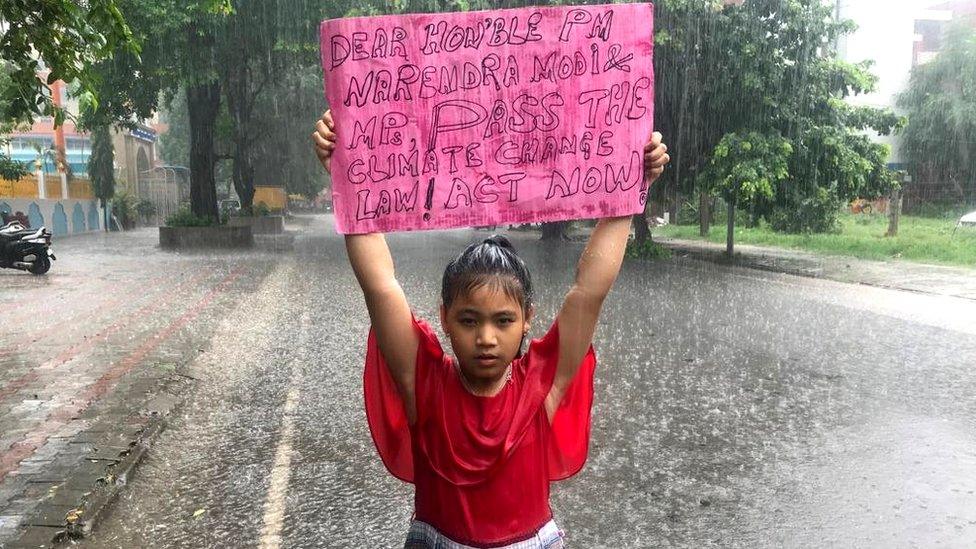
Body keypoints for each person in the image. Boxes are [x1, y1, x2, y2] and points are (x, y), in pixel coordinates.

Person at [312, 109, 669, 548]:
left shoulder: (543, 383)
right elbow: (379, 285)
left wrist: (630, 188)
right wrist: (348, 178)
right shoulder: (422, 380)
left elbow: (588, 291)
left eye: (503, 321)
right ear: (444, 318)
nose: (486, 338)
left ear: (527, 321)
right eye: (468, 320)